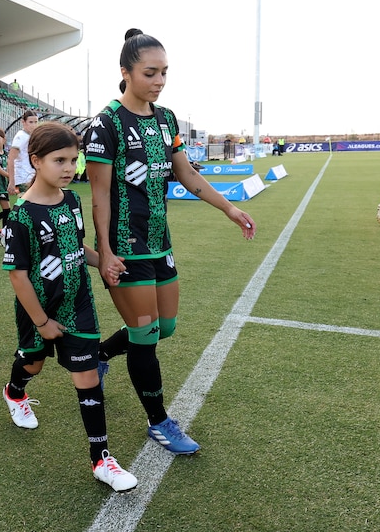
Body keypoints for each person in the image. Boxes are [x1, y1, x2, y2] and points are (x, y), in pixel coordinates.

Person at [84, 29, 256, 455]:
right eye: (150, 72)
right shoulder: (105, 125)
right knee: (145, 337)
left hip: (160, 243)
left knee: (166, 327)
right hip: (125, 249)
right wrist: (105, 251)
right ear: (125, 73)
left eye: (164, 72)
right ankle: (159, 421)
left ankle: (102, 354)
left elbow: (188, 174)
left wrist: (229, 208)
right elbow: (100, 195)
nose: (159, 80)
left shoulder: (165, 119)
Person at [1, 122, 137, 492]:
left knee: (88, 377)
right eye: (59, 160)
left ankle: (101, 459)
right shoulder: (21, 215)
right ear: (35, 161)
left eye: (74, 160)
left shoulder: (72, 201)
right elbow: (18, 277)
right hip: (39, 311)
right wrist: (42, 322)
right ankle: (15, 391)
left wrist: (103, 261)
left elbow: (77, 250)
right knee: (33, 363)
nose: (69, 168)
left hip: (79, 306)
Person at [7, 110, 38, 196]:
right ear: (23, 122)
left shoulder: (31, 136)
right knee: (26, 204)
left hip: (31, 175)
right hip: (23, 178)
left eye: (36, 122)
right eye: (31, 122)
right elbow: (11, 159)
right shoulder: (20, 136)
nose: (34, 125)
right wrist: (12, 181)